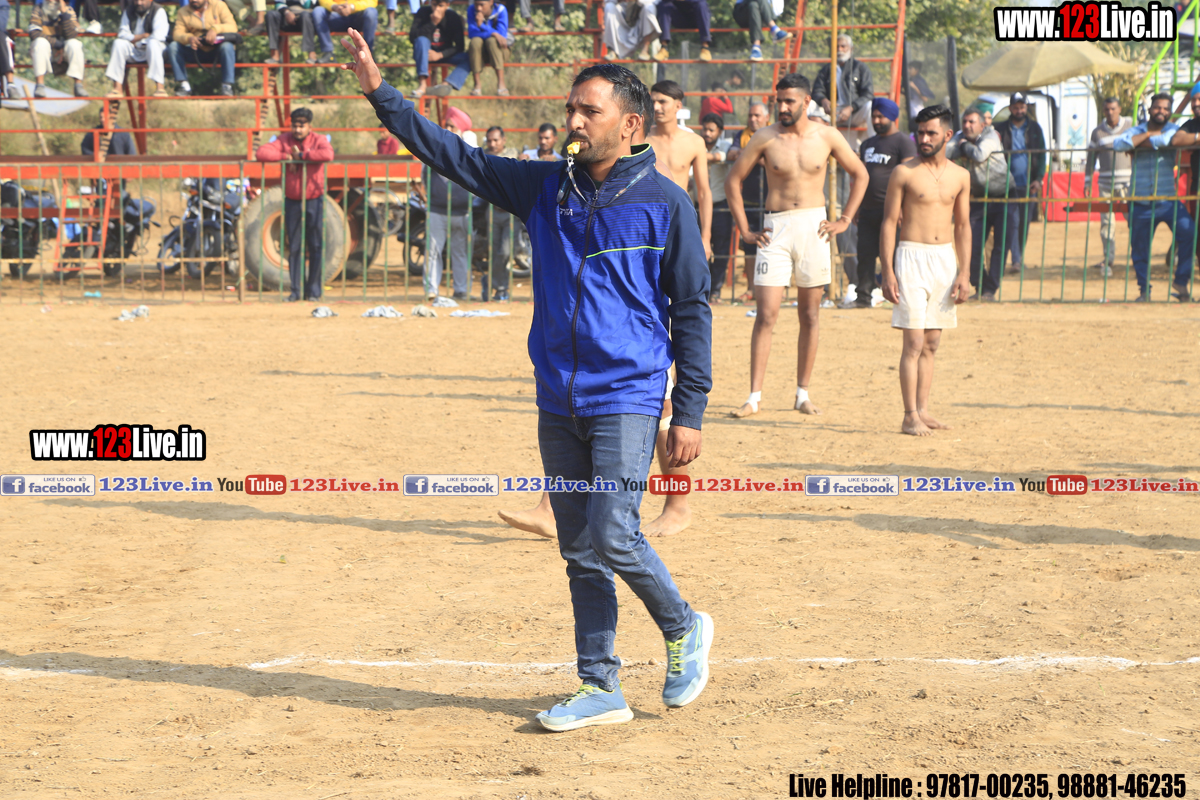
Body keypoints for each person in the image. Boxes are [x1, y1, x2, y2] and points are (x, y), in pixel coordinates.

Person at [346, 34, 714, 729]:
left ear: (630, 124)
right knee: (578, 548)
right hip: (558, 396)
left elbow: (692, 308)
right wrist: (379, 92)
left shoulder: (666, 204)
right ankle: (599, 686)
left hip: (629, 394)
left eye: (589, 111)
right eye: (571, 108)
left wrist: (689, 409)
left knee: (613, 532)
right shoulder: (544, 187)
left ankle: (683, 623)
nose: (574, 120)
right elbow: (452, 155)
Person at [725, 72, 866, 419]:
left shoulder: (827, 135)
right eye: (779, 101)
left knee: (810, 314)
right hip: (775, 228)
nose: (783, 107)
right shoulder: (765, 136)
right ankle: (754, 397)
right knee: (766, 314)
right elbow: (733, 179)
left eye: (789, 101)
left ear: (806, 102)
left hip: (814, 227)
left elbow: (860, 173)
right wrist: (745, 229)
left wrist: (845, 219)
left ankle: (803, 393)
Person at [879, 104, 972, 436]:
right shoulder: (904, 172)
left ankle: (923, 410)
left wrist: (965, 273)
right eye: (920, 133)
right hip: (910, 258)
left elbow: (962, 226)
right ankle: (909, 415)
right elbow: (889, 222)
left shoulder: (961, 176)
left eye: (931, 133)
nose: (924, 139)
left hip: (944, 260)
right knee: (914, 341)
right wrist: (887, 271)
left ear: (947, 135)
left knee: (932, 342)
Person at [1110, 93, 1193, 302]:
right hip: (1140, 200)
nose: (1161, 111)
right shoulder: (1137, 129)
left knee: (1189, 233)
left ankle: (1181, 281)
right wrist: (1147, 135)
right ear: (1149, 110)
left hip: (1167, 199)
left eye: (1166, 108)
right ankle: (1144, 291)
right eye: (1157, 107)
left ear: (1170, 112)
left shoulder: (1174, 130)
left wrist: (1137, 143)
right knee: (1140, 249)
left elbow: (1167, 140)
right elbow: (1119, 145)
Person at [255, 107, 335, 301]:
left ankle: (314, 292)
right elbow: (262, 153)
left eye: (302, 126)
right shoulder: (284, 140)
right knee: (295, 247)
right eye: (295, 126)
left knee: (315, 246)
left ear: (309, 126)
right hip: (292, 200)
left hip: (314, 198)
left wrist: (302, 157)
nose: (298, 130)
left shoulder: (318, 140)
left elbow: (327, 154)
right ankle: (296, 291)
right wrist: (286, 156)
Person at [854, 97, 915, 308]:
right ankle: (863, 297)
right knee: (865, 254)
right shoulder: (868, 144)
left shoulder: (903, 143)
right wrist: (856, 206)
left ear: (892, 117)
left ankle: (899, 296)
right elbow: (860, 177)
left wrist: (902, 208)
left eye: (881, 117)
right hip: (867, 210)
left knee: (894, 255)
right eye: (874, 117)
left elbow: (908, 178)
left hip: (891, 211)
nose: (876, 121)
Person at [947, 107, 1007, 301]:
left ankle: (990, 290)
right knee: (971, 244)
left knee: (1000, 246)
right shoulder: (960, 136)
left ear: (982, 125)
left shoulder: (991, 135)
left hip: (1004, 197)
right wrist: (965, 146)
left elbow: (980, 154)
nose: (967, 126)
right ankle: (979, 286)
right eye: (964, 122)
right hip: (979, 198)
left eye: (971, 122)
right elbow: (946, 151)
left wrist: (963, 147)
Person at [647, 80, 711, 260]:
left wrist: (706, 238)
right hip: (646, 218)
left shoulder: (694, 142)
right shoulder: (640, 140)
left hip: (681, 218)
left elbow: (704, 193)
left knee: (681, 275)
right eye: (653, 102)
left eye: (662, 102)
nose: (656, 107)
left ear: (678, 106)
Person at [419, 105, 475, 300]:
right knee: (433, 251)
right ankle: (431, 290)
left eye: (453, 126)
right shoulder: (436, 146)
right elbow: (425, 173)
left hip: (463, 211)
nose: (448, 129)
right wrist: (432, 195)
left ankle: (462, 290)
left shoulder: (469, 151)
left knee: (461, 252)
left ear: (461, 131)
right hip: (437, 210)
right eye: (447, 125)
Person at [993, 91, 1046, 275]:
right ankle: (1015, 260)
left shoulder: (1035, 129)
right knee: (1012, 222)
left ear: (1026, 108)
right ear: (1010, 108)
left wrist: (1039, 179)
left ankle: (1018, 256)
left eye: (1022, 107)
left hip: (1029, 184)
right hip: (1007, 185)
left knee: (1024, 223)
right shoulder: (1000, 129)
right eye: (1015, 107)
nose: (1019, 110)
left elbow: (1042, 154)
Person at [1084, 96, 1132, 279]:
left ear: (1119, 109)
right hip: (1105, 184)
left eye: (1113, 109)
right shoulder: (1097, 133)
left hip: (1128, 184)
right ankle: (1108, 260)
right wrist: (1087, 182)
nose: (1110, 112)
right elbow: (1091, 158)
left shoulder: (1130, 127)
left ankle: (1139, 258)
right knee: (1106, 224)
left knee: (1135, 221)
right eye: (1107, 109)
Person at [727, 100, 770, 301]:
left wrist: (747, 155)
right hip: (749, 201)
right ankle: (752, 289)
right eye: (750, 115)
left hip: (771, 202)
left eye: (757, 115)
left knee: (773, 245)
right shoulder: (742, 135)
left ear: (766, 118)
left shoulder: (774, 134)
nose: (752, 119)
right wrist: (754, 155)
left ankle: (772, 289)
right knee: (750, 246)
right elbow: (731, 153)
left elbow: (772, 161)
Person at [474, 124, 518, 301]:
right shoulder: (482, 157)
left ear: (503, 140)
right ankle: (500, 288)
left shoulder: (513, 155)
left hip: (511, 213)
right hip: (492, 211)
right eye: (489, 141)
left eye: (496, 140)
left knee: (506, 252)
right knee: (493, 252)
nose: (492, 144)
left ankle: (494, 283)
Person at [812, 34, 872, 146]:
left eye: (843, 46)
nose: (839, 49)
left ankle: (877, 144)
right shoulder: (826, 69)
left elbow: (868, 94)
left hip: (854, 113)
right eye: (836, 47)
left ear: (851, 48)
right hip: (831, 112)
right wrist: (824, 101)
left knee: (870, 106)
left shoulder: (860, 67)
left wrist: (851, 107)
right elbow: (817, 91)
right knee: (808, 105)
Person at [168, 0, 238, 96]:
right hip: (195, 50)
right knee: (173, 46)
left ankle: (227, 86)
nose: (194, 0)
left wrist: (215, 29)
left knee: (227, 46)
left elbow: (233, 27)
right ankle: (184, 86)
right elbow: (177, 34)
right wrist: (189, 38)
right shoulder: (183, 11)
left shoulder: (219, 5)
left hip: (217, 51)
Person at [1171, 83, 1200, 299]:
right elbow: (1177, 139)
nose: (1196, 104)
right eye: (1193, 100)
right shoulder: (1191, 125)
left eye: (1199, 99)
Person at [105, 0, 170, 98]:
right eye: (136, 0)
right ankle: (117, 89)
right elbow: (122, 34)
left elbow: (159, 36)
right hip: (134, 48)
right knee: (118, 43)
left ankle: (160, 88)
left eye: (142, 0)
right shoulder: (129, 10)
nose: (139, 3)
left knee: (153, 44)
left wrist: (138, 42)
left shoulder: (158, 11)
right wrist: (140, 37)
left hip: (153, 50)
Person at [700, 112, 733, 300]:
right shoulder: (697, 145)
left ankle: (716, 290)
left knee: (721, 250)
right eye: (705, 129)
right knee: (698, 249)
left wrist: (706, 156)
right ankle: (703, 290)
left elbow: (724, 155)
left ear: (720, 131)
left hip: (720, 206)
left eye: (711, 130)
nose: (707, 133)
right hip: (698, 206)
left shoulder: (726, 145)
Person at [28, 0, 87, 98]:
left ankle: (78, 85)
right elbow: (34, 33)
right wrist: (57, 44)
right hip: (46, 51)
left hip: (64, 52)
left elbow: (71, 35)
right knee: (40, 43)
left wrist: (64, 14)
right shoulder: (38, 8)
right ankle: (40, 85)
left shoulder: (69, 10)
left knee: (75, 44)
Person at [409, 0, 467, 98]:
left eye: (441, 6)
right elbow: (413, 38)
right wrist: (432, 23)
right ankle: (422, 84)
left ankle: (445, 84)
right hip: (426, 55)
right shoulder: (422, 12)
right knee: (421, 40)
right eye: (434, 5)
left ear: (447, 5)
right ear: (430, 3)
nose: (437, 9)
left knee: (468, 57)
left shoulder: (453, 17)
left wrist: (440, 55)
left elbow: (460, 46)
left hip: (445, 54)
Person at [312, 0, 377, 63]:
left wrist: (352, 7)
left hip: (358, 18)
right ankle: (328, 53)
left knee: (371, 12)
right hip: (336, 16)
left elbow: (372, 1)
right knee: (318, 11)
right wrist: (334, 6)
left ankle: (368, 54)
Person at [467, 0, 509, 96]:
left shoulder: (501, 10)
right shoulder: (471, 10)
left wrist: (481, 25)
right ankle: (477, 84)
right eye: (476, 4)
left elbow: (501, 36)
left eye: (482, 5)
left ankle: (501, 83)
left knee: (492, 41)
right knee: (475, 41)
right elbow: (472, 33)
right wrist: (493, 33)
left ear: (491, 2)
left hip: (499, 52)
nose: (479, 8)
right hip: (480, 53)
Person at [264, 0, 318, 65]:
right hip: (286, 16)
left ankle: (311, 54)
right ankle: (275, 55)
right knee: (271, 14)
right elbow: (279, 3)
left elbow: (310, 5)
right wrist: (287, 12)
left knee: (305, 16)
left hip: (305, 18)